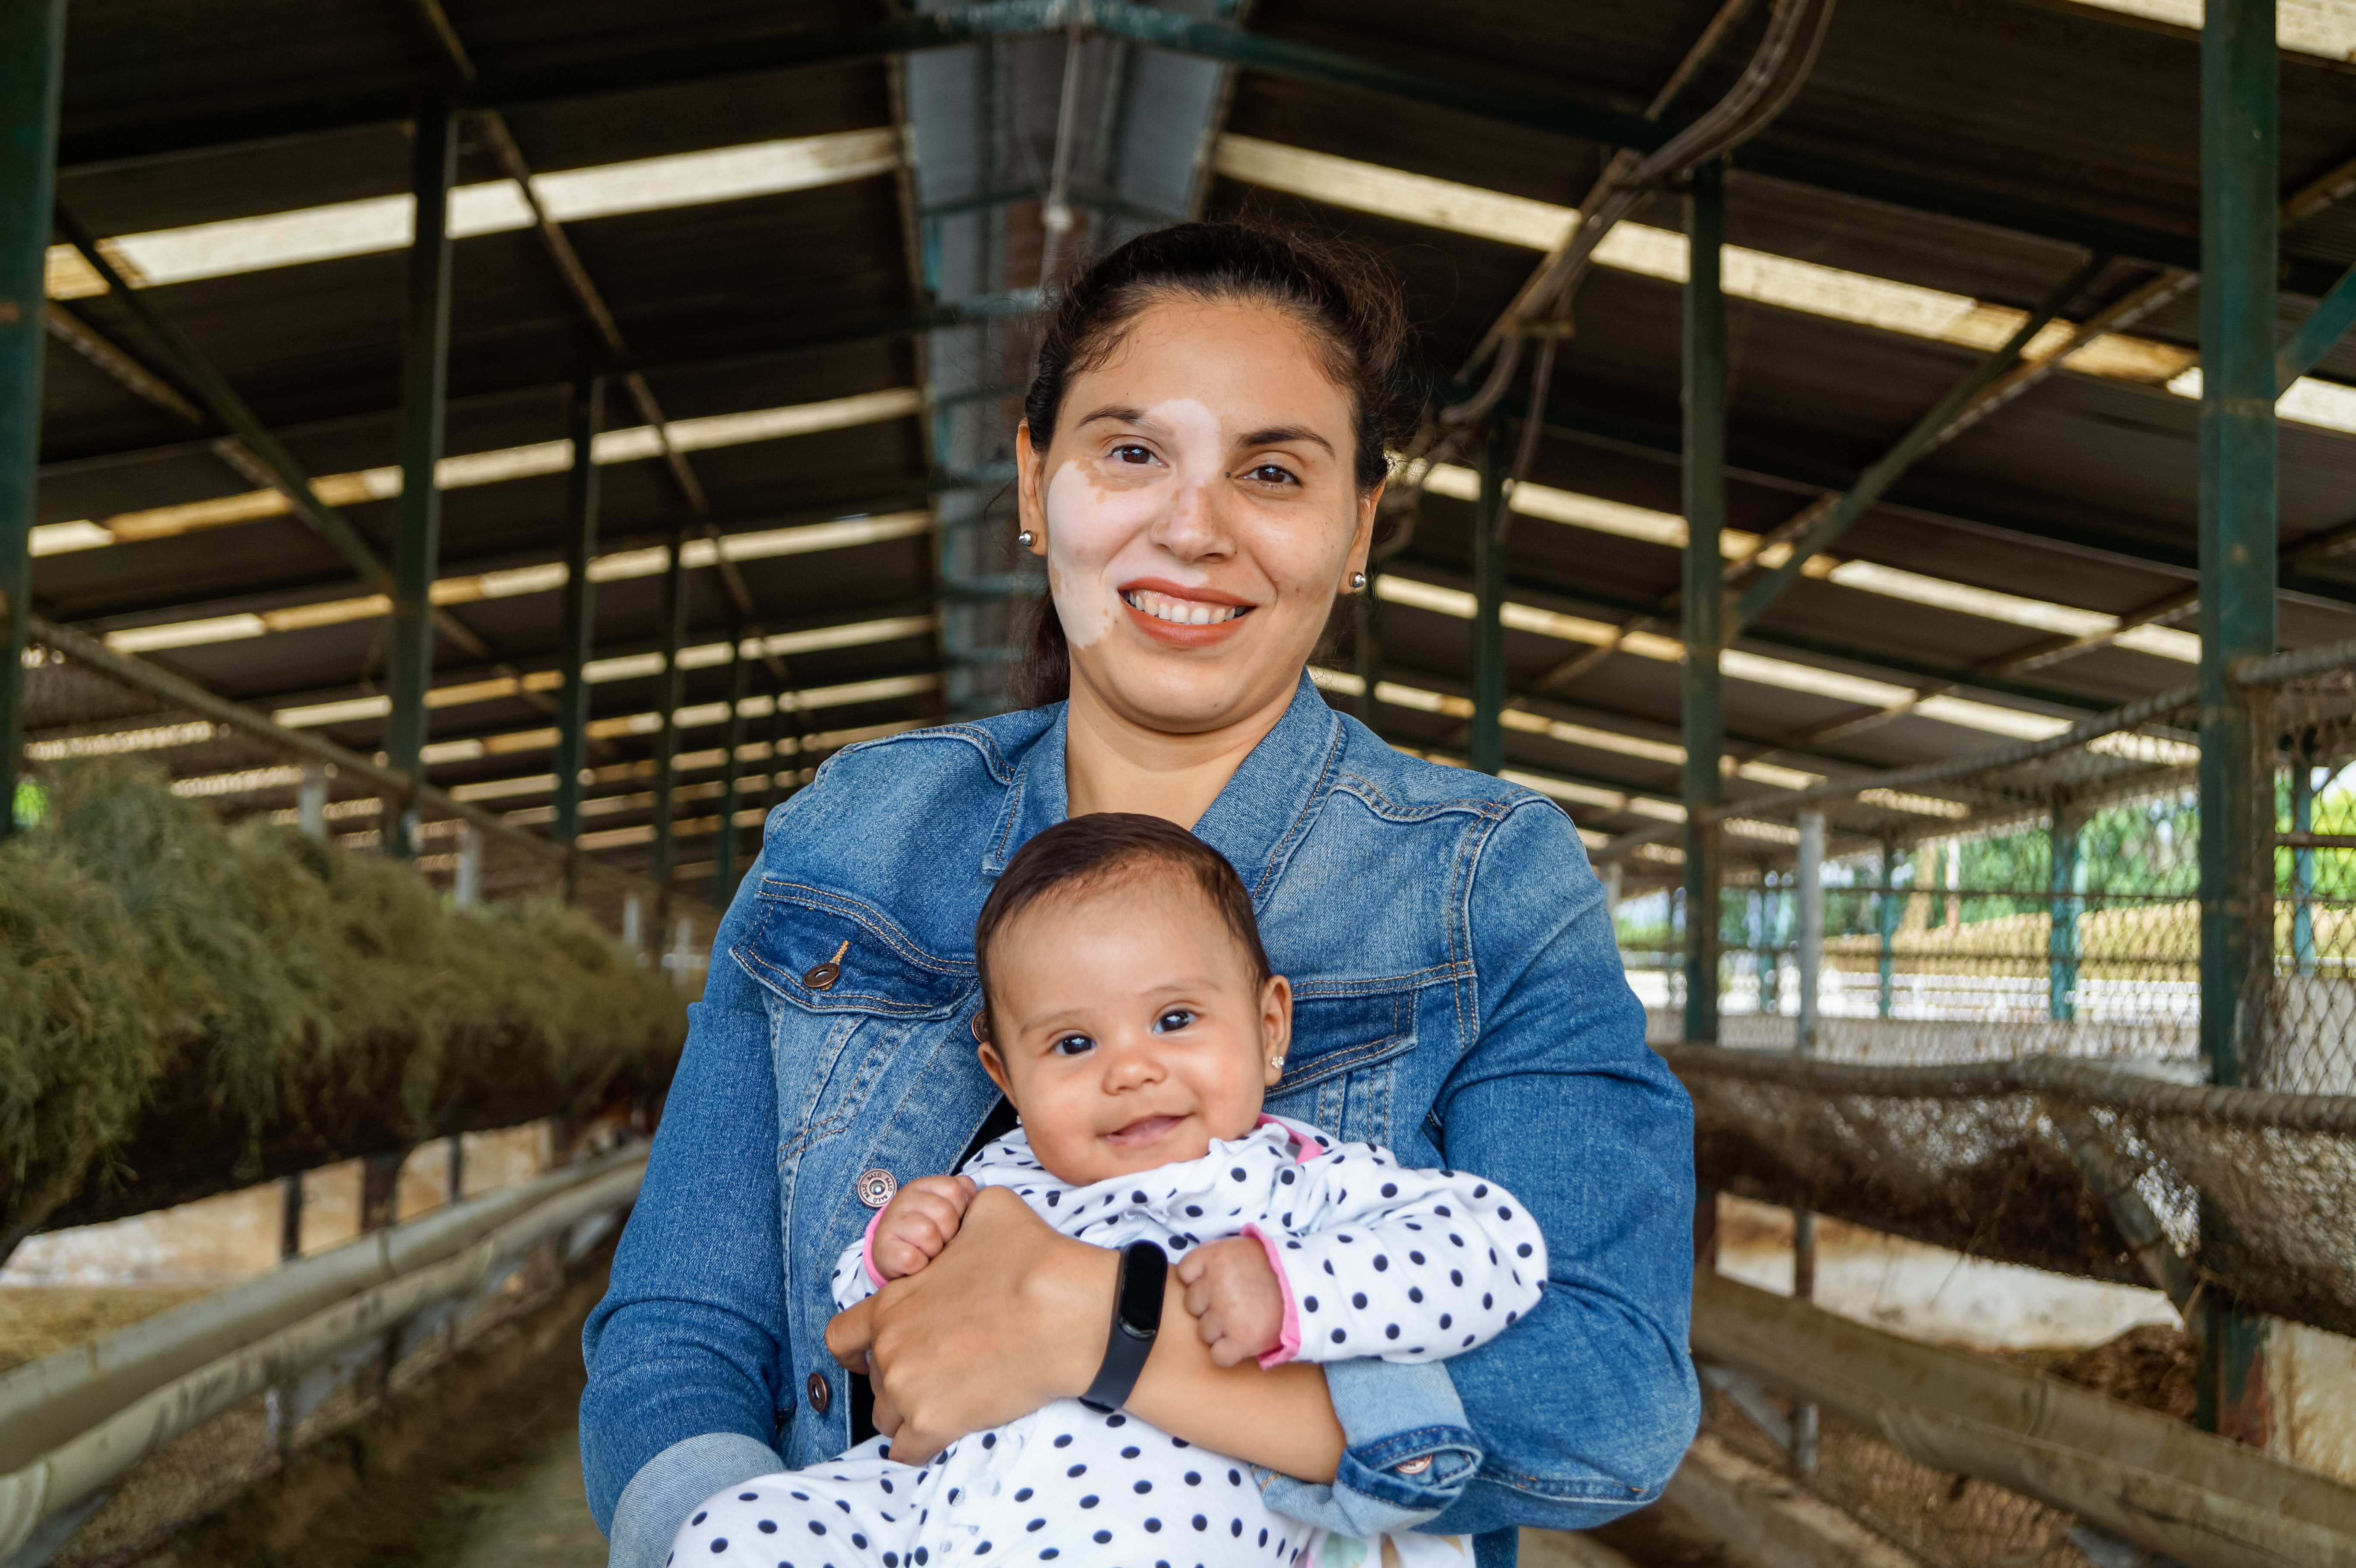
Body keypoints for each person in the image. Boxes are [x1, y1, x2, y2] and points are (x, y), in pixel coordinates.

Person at [581, 221, 1698, 1568]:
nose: (1193, 527)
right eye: (1131, 452)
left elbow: (1612, 1398)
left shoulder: (1481, 880)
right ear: (1035, 482)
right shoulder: (855, 838)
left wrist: (1108, 1336)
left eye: (1272, 471)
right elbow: (677, 1332)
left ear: (1359, 529)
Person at [671, 812, 1548, 1568]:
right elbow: (878, 1329)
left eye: (1174, 1020)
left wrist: (1296, 1294)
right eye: (1072, 1045)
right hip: (937, 1505)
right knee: (735, 1527)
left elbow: (1495, 1244)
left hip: (1165, 1518)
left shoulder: (1299, 1179)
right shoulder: (996, 1183)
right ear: (1004, 1074)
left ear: (1269, 1023)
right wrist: (890, 1250)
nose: (1131, 1069)